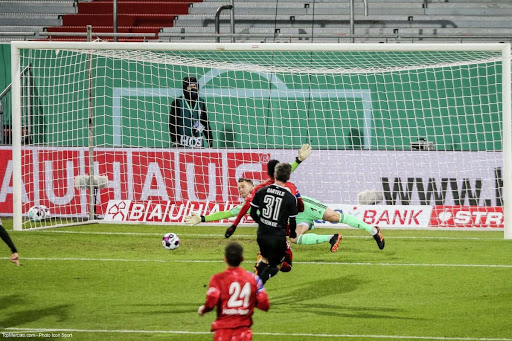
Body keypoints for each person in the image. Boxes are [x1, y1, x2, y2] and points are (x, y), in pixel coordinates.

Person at [223, 143, 312, 239]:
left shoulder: (260, 188)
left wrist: (234, 225)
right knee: (293, 236)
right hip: (296, 214)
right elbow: (300, 207)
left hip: (272, 224)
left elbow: (246, 207)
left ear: (268, 173)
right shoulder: (289, 185)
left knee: (285, 238)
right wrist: (299, 160)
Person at [198, 242, 270, 341]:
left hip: (222, 333)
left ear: (225, 259)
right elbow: (264, 305)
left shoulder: (217, 279)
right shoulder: (253, 279)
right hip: (243, 333)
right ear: (242, 259)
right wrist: (250, 299)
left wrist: (203, 309)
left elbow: (211, 302)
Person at [250, 162, 298, 284]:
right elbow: (292, 222)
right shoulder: (290, 198)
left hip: (262, 235)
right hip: (278, 237)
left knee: (265, 260)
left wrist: (261, 223)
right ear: (288, 178)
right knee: (277, 265)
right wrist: (292, 234)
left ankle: (254, 280)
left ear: (275, 174)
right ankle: (258, 284)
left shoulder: (261, 191)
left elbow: (253, 213)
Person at [169, 76, 213, 148]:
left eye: (195, 86)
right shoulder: (178, 102)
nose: (193, 89)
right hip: (183, 144)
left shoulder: (201, 102)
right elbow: (173, 124)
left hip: (198, 144)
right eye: (190, 86)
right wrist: (174, 140)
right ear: (185, 88)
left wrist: (210, 139)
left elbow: (205, 122)